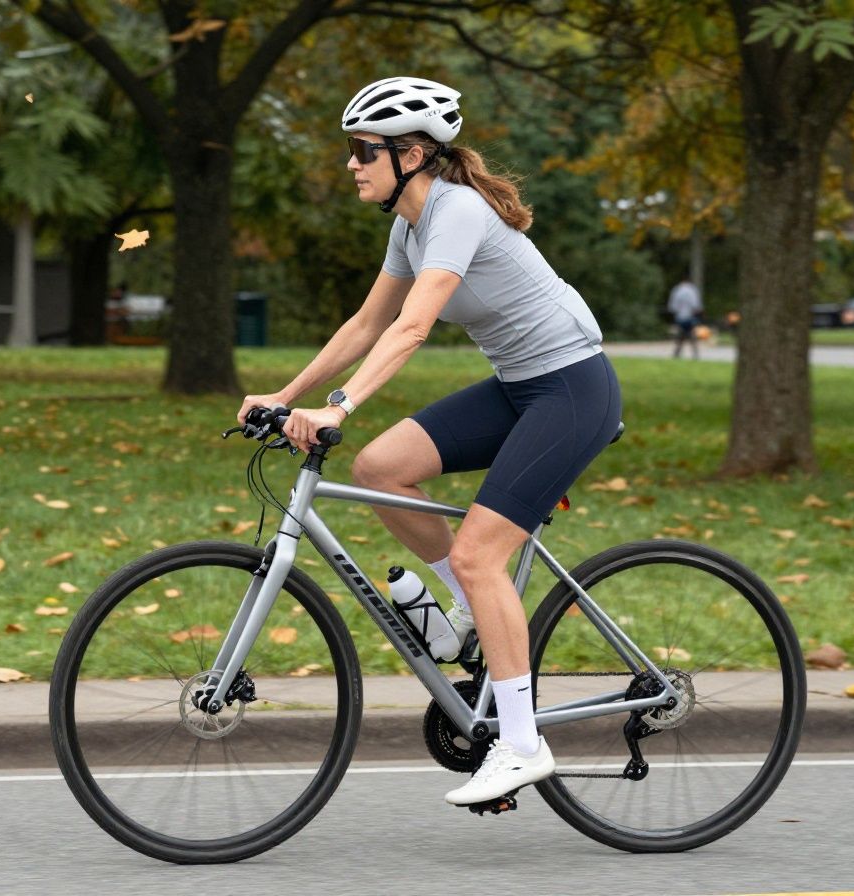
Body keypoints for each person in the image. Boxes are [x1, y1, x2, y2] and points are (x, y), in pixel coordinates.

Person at [236, 76, 622, 808]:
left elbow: (413, 328)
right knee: (382, 466)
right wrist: (286, 397)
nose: (352, 163)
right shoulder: (409, 224)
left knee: (481, 554)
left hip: (573, 390)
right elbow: (365, 324)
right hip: (519, 387)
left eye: (363, 150)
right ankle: (469, 616)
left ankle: (521, 743)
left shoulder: (457, 212)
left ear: (412, 153)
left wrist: (340, 405)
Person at [667, 276, 703, 359]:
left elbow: (672, 307)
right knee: (692, 336)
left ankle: (677, 353)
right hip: (690, 317)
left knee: (680, 336)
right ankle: (695, 354)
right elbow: (696, 306)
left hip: (680, 317)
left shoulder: (676, 290)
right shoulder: (692, 290)